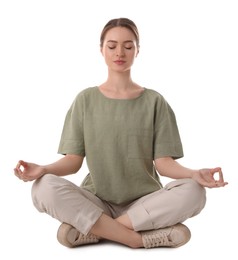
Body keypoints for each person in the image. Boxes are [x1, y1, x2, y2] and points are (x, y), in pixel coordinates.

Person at [14, 17, 228, 249]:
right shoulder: (85, 100)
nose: (120, 52)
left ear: (137, 51)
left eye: (128, 46)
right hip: (96, 201)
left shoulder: (155, 102)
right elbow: (73, 162)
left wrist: (195, 174)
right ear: (101, 49)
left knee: (194, 191)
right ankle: (136, 238)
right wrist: (43, 169)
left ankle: (97, 230)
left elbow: (164, 164)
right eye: (112, 46)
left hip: (145, 203)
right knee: (43, 187)